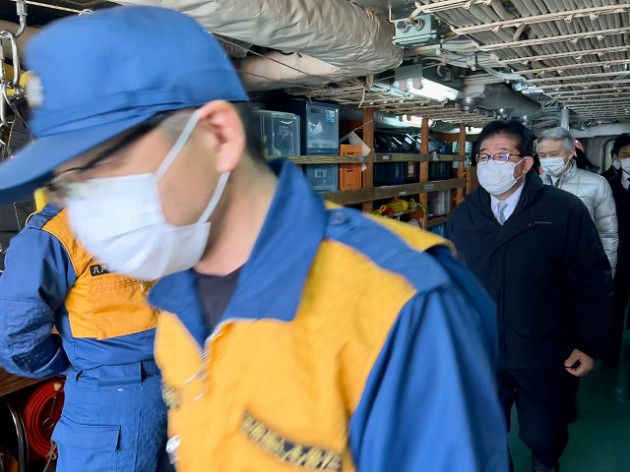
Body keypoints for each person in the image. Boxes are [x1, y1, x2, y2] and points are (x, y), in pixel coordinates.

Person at [0, 6, 509, 472]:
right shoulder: (175, 304)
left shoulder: (398, 304)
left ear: (218, 136)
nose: (83, 207)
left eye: (102, 166)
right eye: (69, 183)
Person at [445, 120, 614, 472]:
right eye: (484, 156)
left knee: (544, 433)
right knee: (486, 430)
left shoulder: (562, 210)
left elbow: (591, 280)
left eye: (502, 155)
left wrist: (590, 344)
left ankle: (545, 464)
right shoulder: (465, 215)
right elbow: (454, 279)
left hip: (544, 348)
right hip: (483, 348)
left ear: (525, 163)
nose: (490, 164)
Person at [0, 200, 167, 471]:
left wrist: (71, 360)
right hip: (185, 379)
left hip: (111, 398)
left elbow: (16, 345)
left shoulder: (54, 233)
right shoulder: (162, 206)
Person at [537, 127, 618, 275]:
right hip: (543, 268)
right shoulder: (532, 186)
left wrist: (606, 273)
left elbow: (607, 233)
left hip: (583, 267)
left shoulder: (597, 183)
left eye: (554, 154)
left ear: (570, 153)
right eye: (543, 155)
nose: (548, 159)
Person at [604, 133, 630, 362]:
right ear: (616, 157)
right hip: (617, 258)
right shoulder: (607, 186)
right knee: (613, 309)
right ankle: (610, 354)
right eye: (625, 155)